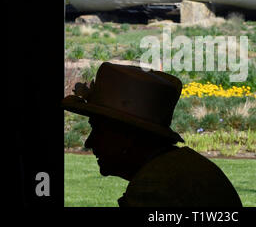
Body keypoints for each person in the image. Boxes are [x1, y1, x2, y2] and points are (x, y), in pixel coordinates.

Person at [61, 62, 242, 207]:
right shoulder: (185, 168)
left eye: (98, 130)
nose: (89, 142)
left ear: (129, 136)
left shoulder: (154, 189)